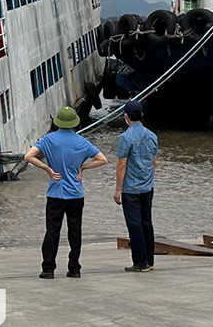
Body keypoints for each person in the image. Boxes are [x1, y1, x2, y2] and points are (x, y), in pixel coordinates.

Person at [24, 106, 108, 279]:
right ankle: (74, 268)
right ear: (74, 123)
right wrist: (84, 167)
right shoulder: (82, 142)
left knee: (52, 231)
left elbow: (28, 156)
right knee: (75, 231)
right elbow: (102, 159)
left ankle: (48, 269)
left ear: (57, 122)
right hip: (76, 194)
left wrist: (47, 168)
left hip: (55, 193)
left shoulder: (49, 139)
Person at [114, 100, 159, 272]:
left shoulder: (125, 137)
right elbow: (154, 161)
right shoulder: (152, 136)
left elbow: (121, 164)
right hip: (148, 186)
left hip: (131, 188)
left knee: (135, 225)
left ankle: (140, 263)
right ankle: (150, 260)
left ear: (126, 116)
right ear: (141, 115)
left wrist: (118, 189)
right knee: (147, 222)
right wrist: (150, 178)